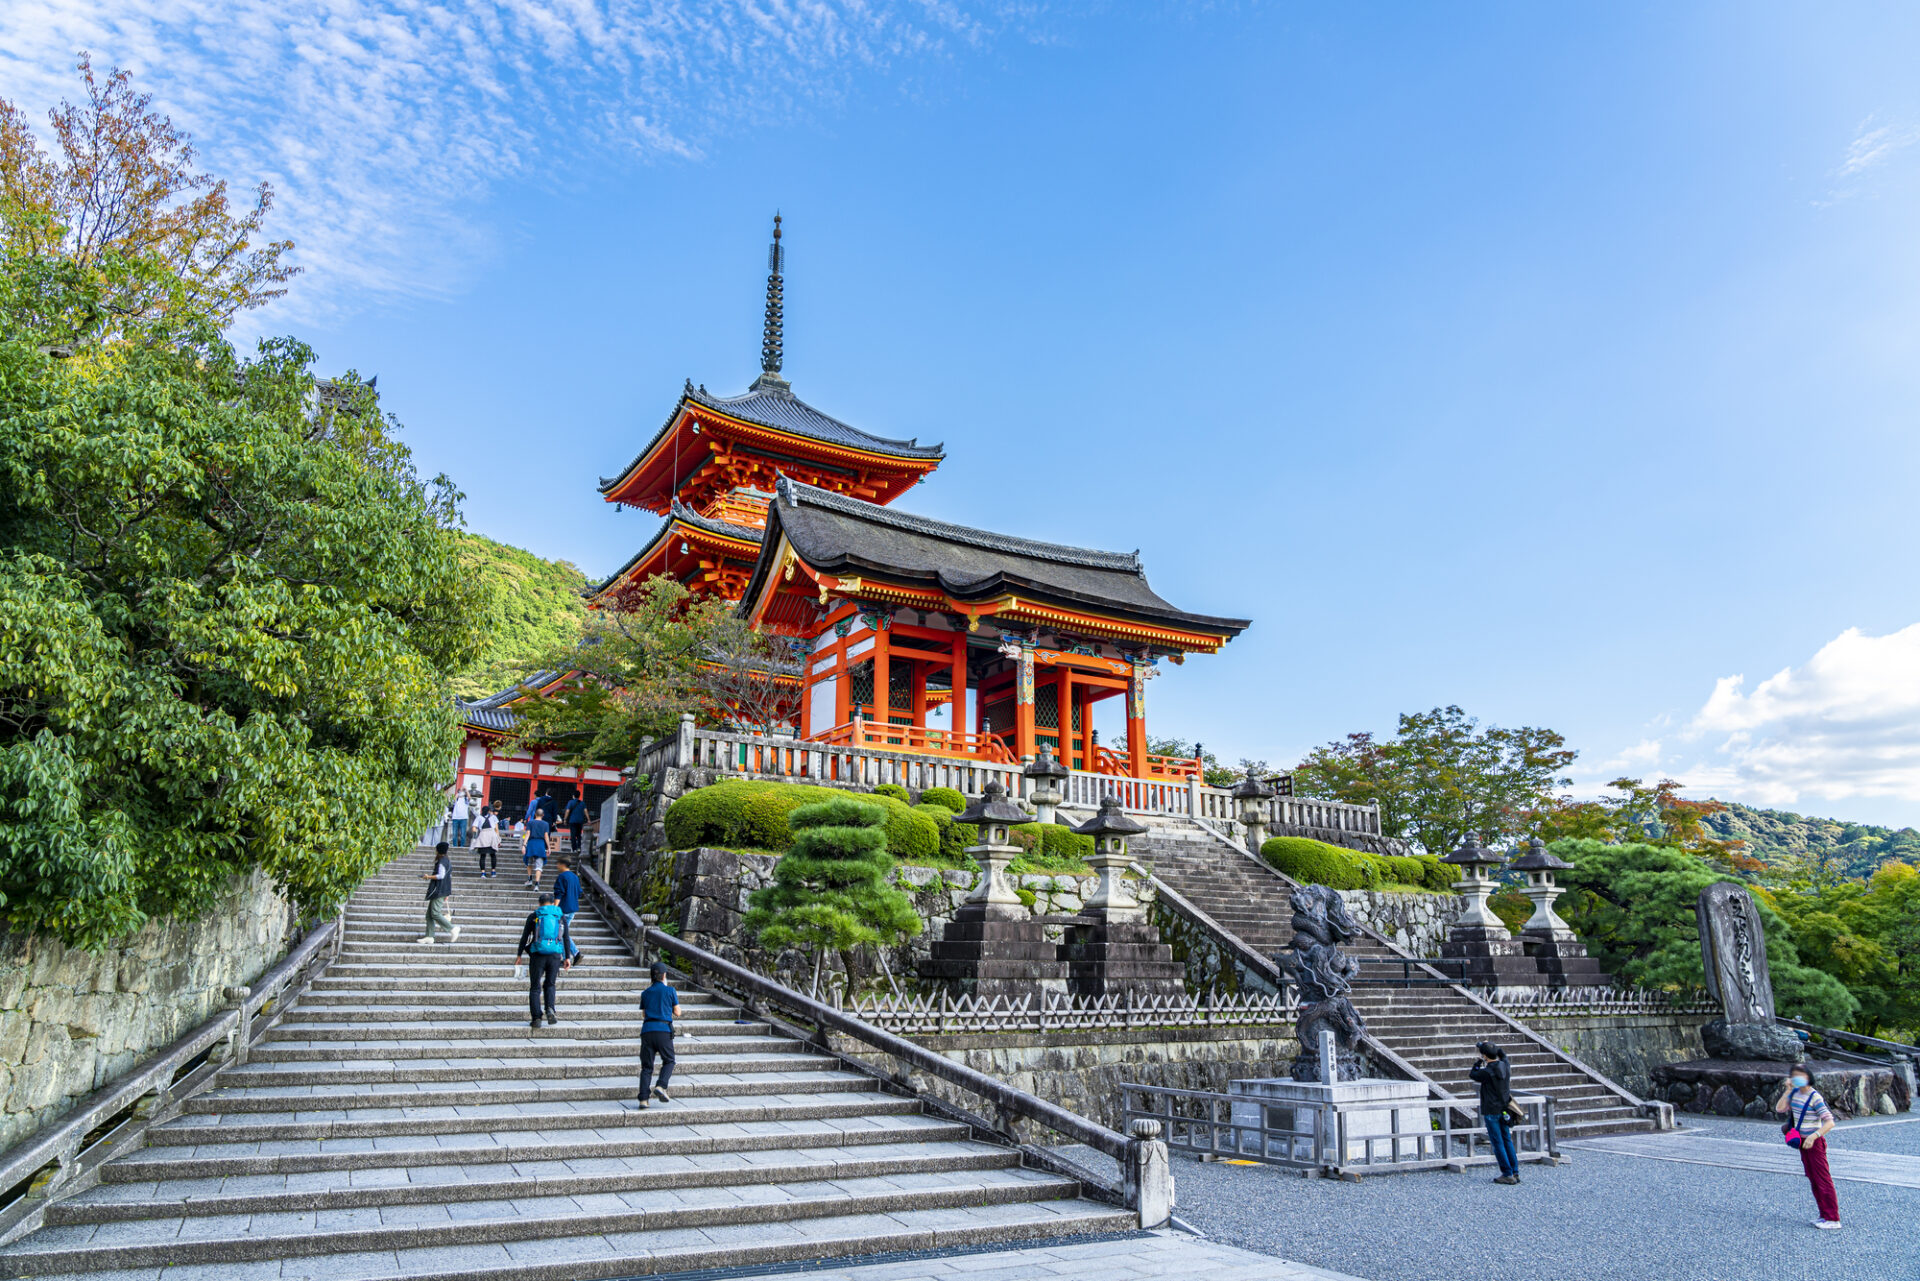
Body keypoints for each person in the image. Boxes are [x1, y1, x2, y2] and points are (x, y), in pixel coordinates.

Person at [1775, 1067, 1841, 1228]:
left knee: (1822, 1179)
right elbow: (1780, 1108)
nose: (1796, 1078)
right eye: (1794, 1076)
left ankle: (1833, 1218)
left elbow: (1830, 1122)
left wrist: (1814, 1136)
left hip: (1814, 1142)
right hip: (1802, 1142)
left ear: (1808, 1077)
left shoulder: (1815, 1097)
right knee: (1813, 1178)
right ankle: (1824, 1215)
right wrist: (1788, 1090)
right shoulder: (1795, 1094)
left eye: (1800, 1076)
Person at [515, 892, 573, 1028]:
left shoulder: (534, 916)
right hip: (555, 955)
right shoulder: (560, 916)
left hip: (537, 954)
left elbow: (525, 936)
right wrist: (567, 958)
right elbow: (566, 938)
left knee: (535, 987)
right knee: (550, 984)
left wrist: (519, 955)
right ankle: (550, 1009)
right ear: (553, 903)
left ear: (539, 903)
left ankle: (536, 1018)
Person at [1469, 1040, 1521, 1184]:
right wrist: (1492, 1047)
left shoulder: (1487, 1072)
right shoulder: (1505, 1066)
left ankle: (1507, 1173)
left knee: (1497, 1143)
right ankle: (1515, 1171)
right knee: (1507, 1140)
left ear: (1485, 1056)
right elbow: (1503, 1055)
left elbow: (1473, 1074)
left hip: (1492, 1110)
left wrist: (1478, 1062)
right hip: (1504, 1109)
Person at [637, 962, 680, 1108]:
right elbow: (678, 1012)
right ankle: (661, 1086)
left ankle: (643, 1100)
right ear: (664, 975)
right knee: (669, 1060)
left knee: (647, 1067)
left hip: (647, 1031)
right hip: (663, 1031)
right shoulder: (670, 990)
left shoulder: (645, 993)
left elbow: (644, 1014)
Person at [418, 841, 460, 945]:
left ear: (438, 851)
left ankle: (452, 928)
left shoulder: (442, 862)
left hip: (439, 891)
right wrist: (447, 893)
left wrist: (428, 877)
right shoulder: (447, 861)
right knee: (429, 915)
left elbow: (441, 876)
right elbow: (448, 877)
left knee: (435, 913)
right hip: (441, 891)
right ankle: (429, 936)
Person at [552, 857, 583, 965]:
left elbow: (559, 893)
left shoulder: (562, 876)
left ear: (562, 864)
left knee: (560, 933)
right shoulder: (575, 877)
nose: (557, 866)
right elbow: (579, 892)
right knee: (563, 933)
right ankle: (568, 956)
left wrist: (554, 908)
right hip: (572, 908)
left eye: (558, 864)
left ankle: (574, 953)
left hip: (563, 909)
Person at [523, 807, 551, 889]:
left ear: (535, 814)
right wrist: (549, 847)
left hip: (531, 844)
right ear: (543, 815)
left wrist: (524, 845)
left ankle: (530, 879)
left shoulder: (530, 822)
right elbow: (546, 836)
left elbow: (528, 833)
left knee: (529, 863)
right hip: (541, 844)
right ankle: (537, 884)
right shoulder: (546, 824)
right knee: (539, 865)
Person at [473, 801, 501, 877]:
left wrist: (475, 835)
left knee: (482, 856)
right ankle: (493, 871)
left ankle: (483, 873)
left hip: (483, 836)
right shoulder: (493, 817)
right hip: (492, 835)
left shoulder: (479, 817)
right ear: (488, 811)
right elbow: (496, 829)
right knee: (493, 855)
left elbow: (474, 828)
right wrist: (498, 838)